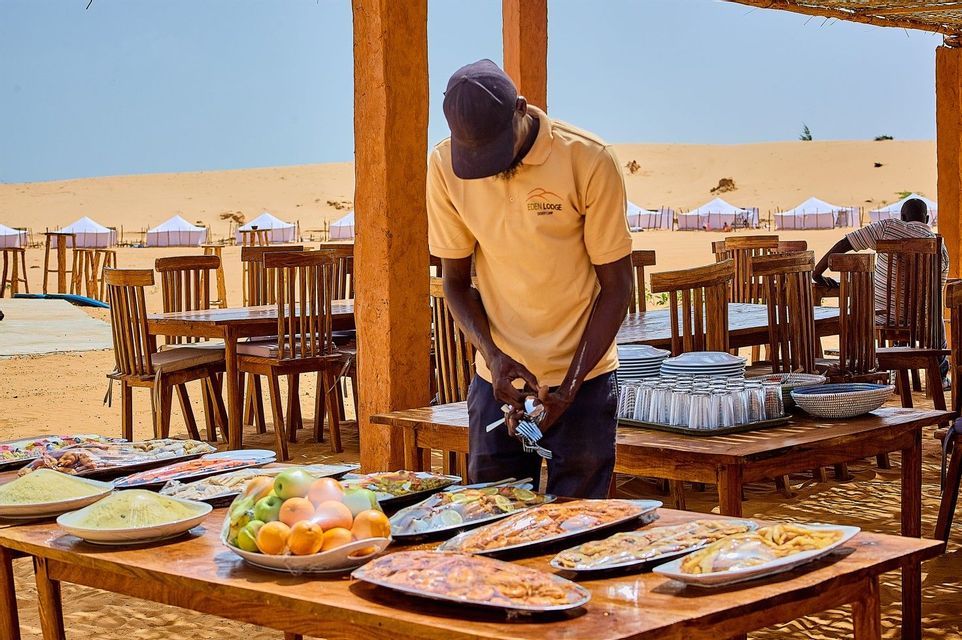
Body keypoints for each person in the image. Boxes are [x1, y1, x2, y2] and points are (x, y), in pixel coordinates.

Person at [426, 59, 633, 498]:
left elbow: (617, 289)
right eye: (476, 158)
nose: (490, 167)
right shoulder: (444, 165)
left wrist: (570, 387)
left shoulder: (588, 159)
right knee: (490, 516)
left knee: (578, 524)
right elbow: (455, 283)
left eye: (496, 151)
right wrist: (493, 357)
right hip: (498, 382)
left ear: (521, 108)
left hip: (584, 380)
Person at [813, 197, 949, 377]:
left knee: (861, 311)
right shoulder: (940, 248)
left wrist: (817, 273)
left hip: (881, 318)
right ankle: (941, 376)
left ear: (902, 217)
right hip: (923, 324)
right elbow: (937, 293)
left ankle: (860, 367)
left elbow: (845, 243)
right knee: (936, 318)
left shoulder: (887, 228)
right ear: (927, 220)